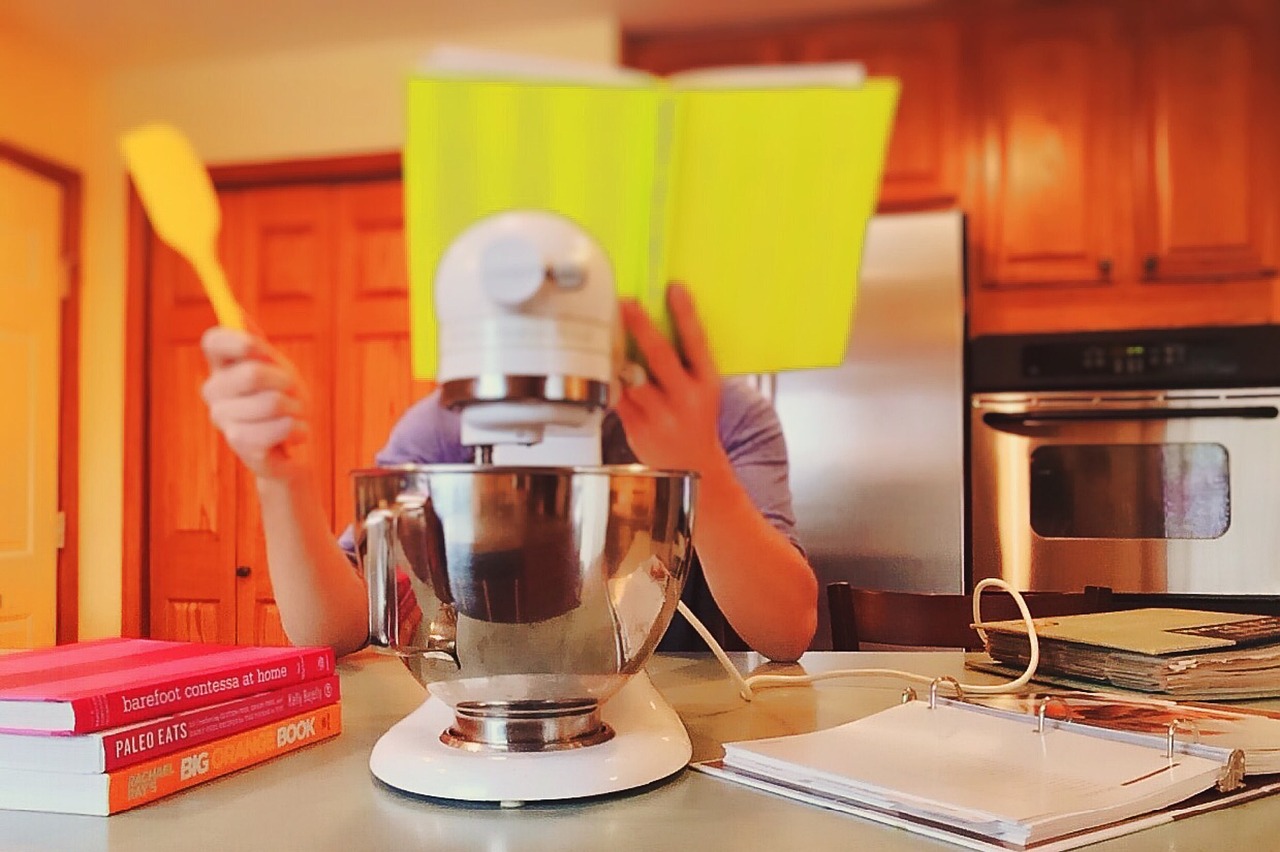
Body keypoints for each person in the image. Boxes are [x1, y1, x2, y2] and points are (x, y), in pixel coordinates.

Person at [200, 284, 818, 662]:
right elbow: (334, 629)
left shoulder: (722, 415)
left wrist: (697, 462)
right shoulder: (446, 425)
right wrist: (282, 479)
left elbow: (786, 634)